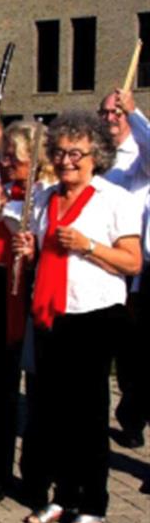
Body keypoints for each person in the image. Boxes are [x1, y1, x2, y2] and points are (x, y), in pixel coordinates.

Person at [13, 110, 141, 523]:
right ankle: (64, 495)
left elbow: (132, 262)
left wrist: (87, 245)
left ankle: (93, 505)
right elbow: (45, 255)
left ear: (96, 156)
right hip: (51, 313)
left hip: (94, 317)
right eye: (60, 152)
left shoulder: (114, 198)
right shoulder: (47, 198)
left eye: (76, 154)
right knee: (53, 414)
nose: (66, 160)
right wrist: (30, 249)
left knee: (87, 418)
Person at [0, 121, 52, 504]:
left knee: (37, 396)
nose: (5, 165)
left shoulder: (45, 192)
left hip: (32, 292)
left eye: (12, 159)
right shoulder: (7, 188)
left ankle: (36, 477)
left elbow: (29, 225)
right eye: (3, 158)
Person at [99, 88, 150, 449]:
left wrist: (135, 112)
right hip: (99, 261)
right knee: (111, 349)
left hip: (136, 265)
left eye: (117, 112)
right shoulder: (96, 154)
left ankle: (132, 412)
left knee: (137, 352)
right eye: (106, 112)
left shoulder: (139, 156)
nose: (111, 118)